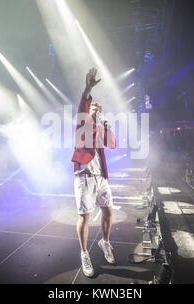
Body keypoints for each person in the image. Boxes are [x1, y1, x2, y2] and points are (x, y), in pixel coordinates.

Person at [71, 68, 117, 277]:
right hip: (84, 177)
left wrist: (105, 124)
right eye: (93, 109)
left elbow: (113, 144)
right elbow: (84, 106)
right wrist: (88, 89)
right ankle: (83, 254)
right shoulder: (83, 123)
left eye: (99, 109)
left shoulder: (99, 128)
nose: (96, 111)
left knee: (108, 211)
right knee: (85, 216)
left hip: (101, 178)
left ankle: (104, 242)